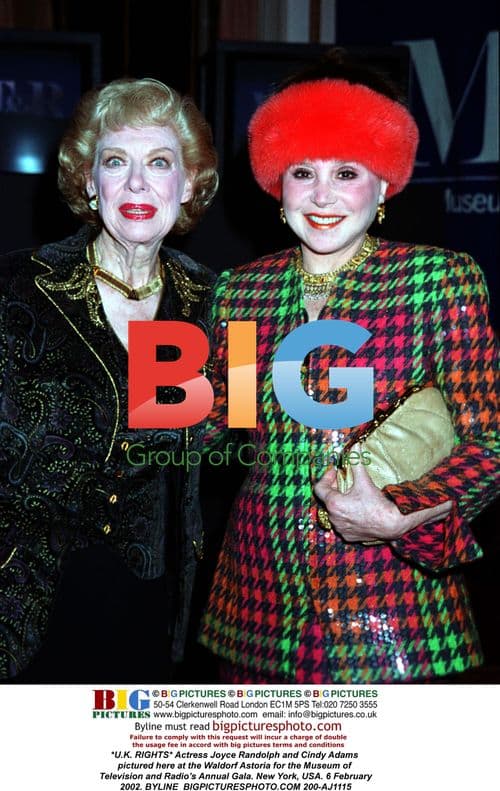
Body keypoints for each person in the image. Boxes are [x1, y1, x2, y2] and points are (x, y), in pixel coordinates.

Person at [199, 51, 499, 683]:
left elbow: (489, 444)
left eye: (347, 171)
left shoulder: (436, 280)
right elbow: (223, 421)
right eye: (303, 171)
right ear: (277, 184)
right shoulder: (242, 292)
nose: (323, 196)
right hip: (260, 608)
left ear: (385, 183)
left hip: (396, 606)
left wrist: (402, 512)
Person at [0, 77, 218, 681]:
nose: (139, 183)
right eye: (116, 161)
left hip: (155, 611)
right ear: (90, 183)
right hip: (22, 603)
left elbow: (242, 450)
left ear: (189, 183)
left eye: (160, 162)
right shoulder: (16, 289)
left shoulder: (217, 301)